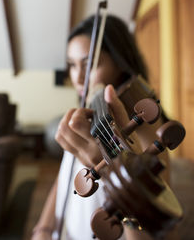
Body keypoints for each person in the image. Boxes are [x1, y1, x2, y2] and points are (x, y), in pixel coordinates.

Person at [31, 15, 171, 240]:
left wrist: (114, 170)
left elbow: (148, 233)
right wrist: (44, 227)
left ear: (120, 61)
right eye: (72, 65)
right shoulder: (91, 112)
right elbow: (66, 176)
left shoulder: (147, 127)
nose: (78, 77)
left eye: (90, 64)